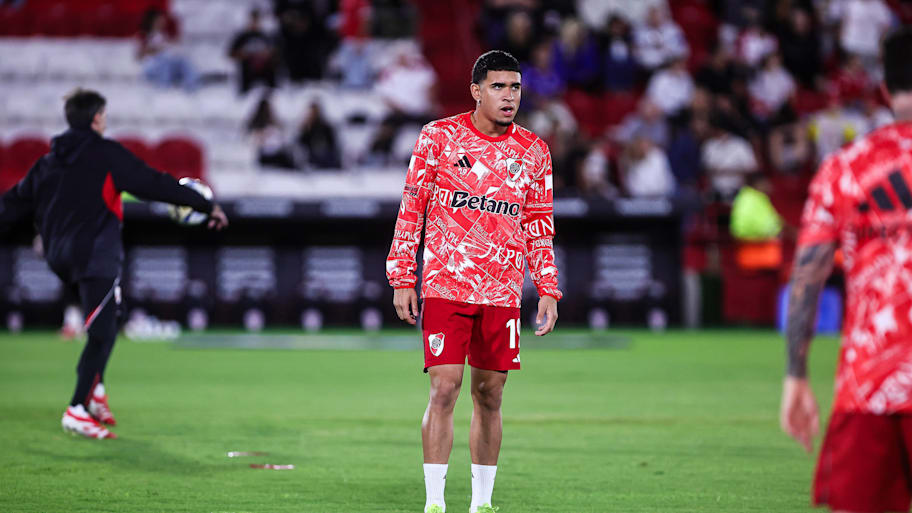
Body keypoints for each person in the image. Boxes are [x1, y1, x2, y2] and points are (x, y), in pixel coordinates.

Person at [386, 50, 560, 513]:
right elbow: (411, 208)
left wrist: (547, 287)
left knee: (490, 393)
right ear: (476, 91)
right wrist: (402, 275)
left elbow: (539, 224)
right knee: (444, 387)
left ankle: (482, 503)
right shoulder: (438, 137)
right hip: (446, 283)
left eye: (515, 87)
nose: (509, 96)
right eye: (498, 86)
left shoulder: (534, 151)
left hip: (502, 291)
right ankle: (435, 502)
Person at [0, 89, 229, 439]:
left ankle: (97, 393)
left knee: (110, 316)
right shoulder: (107, 154)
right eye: (104, 115)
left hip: (58, 255)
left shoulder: (47, 162)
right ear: (97, 118)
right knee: (103, 331)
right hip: (94, 254)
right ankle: (77, 409)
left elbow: (12, 203)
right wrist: (205, 205)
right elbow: (154, 184)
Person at [780, 28, 912, 513]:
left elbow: (807, 277)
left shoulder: (845, 168)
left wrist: (796, 376)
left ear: (884, 90)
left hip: (869, 387)